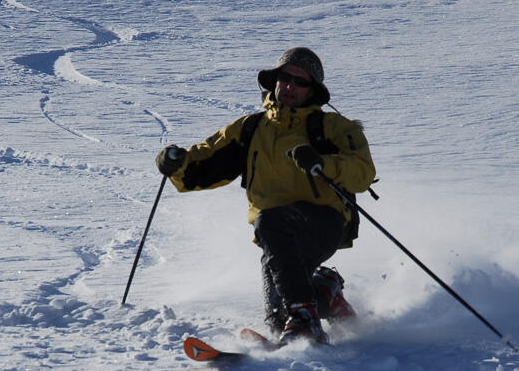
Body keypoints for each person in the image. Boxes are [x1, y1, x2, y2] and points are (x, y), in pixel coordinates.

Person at [156, 47, 376, 344]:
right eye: (285, 77)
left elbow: (362, 172)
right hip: (274, 235)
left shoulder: (333, 128)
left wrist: (322, 163)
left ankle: (306, 319)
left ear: (314, 90)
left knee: (273, 227)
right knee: (278, 321)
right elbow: (203, 165)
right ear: (274, 79)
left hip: (323, 223)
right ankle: (326, 295)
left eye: (301, 82)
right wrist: (176, 164)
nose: (290, 86)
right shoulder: (250, 129)